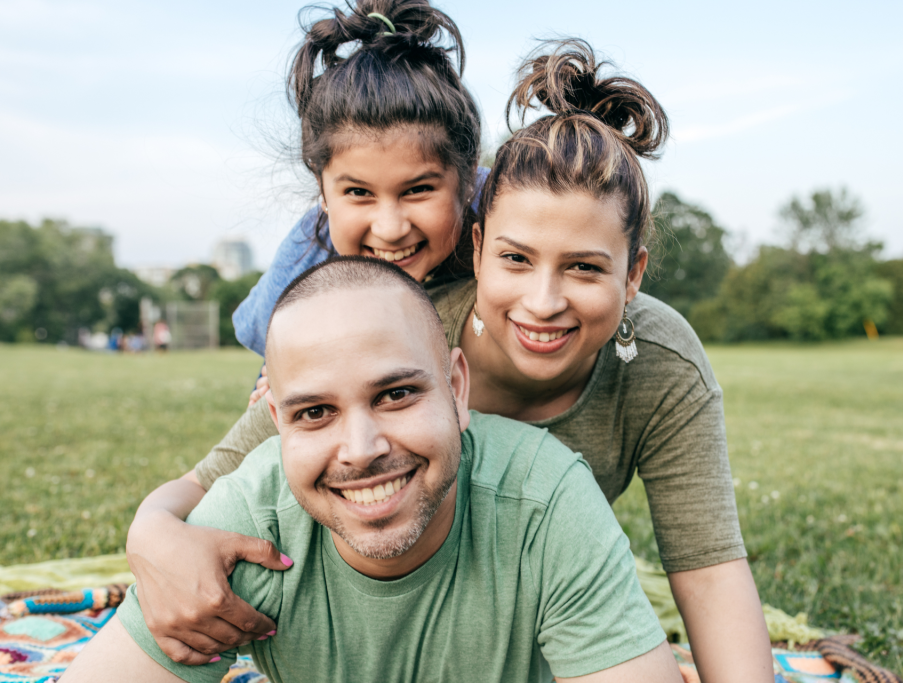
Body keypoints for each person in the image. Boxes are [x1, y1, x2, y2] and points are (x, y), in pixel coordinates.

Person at [127, 30, 774, 683]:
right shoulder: (405, 333)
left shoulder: (659, 364)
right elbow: (224, 473)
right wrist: (151, 531)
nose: (543, 301)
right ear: (480, 243)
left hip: (528, 612)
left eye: (582, 267)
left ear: (633, 275)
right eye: (516, 259)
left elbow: (710, 567)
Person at [62, 257, 681, 683]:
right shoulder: (248, 528)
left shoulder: (547, 504)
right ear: (275, 419)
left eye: (395, 395)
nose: (359, 449)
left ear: (457, 388)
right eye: (315, 412)